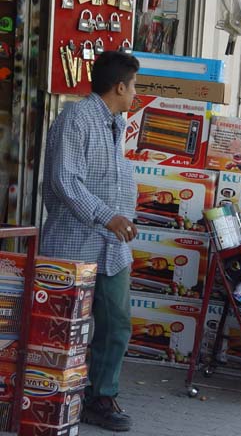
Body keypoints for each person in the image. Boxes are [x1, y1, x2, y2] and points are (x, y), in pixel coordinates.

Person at [41, 51, 140, 432]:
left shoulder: (117, 123)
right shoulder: (75, 120)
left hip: (114, 247)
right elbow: (66, 181)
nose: (135, 93)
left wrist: (125, 213)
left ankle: (101, 396)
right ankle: (53, 394)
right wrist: (108, 215)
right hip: (74, 244)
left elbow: (113, 177)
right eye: (134, 86)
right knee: (64, 326)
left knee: (116, 323)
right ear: (119, 86)